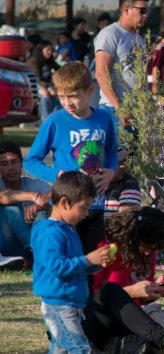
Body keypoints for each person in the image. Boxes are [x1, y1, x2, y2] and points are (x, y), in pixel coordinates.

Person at [24, 62, 118, 267]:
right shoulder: (54, 121)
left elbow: (111, 151)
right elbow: (30, 161)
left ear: (90, 91)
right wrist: (56, 175)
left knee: (91, 266)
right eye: (62, 96)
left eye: (74, 96)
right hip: (65, 208)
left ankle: (88, 298)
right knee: (68, 262)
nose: (68, 102)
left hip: (96, 205)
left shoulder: (104, 118)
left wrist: (111, 170)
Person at [87, 206, 164, 354]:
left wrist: (152, 291)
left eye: (153, 249)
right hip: (99, 318)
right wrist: (131, 292)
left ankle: (131, 342)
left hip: (133, 321)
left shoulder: (148, 253)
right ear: (131, 236)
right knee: (110, 290)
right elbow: (91, 296)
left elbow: (135, 307)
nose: (147, 252)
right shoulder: (105, 246)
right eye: (145, 246)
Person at [32, 172, 112, 354]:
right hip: (58, 304)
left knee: (61, 349)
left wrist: (96, 263)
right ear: (64, 203)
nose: (86, 214)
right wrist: (88, 259)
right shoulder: (50, 233)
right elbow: (57, 266)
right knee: (80, 348)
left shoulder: (68, 229)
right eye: (84, 208)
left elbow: (76, 265)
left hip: (71, 303)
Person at [95, 0, 149, 118]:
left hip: (138, 110)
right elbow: (101, 73)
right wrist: (119, 108)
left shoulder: (139, 38)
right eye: (142, 10)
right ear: (126, 9)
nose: (145, 15)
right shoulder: (110, 34)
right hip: (115, 109)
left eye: (147, 11)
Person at [0, 141, 51, 264]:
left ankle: (33, 251)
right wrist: (34, 197)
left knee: (43, 213)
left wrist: (38, 206)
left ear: (21, 163)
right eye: (4, 164)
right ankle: (32, 250)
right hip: (8, 246)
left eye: (14, 162)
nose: (11, 168)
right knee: (9, 208)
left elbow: (54, 196)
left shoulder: (34, 184)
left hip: (34, 243)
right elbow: (3, 197)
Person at [103, 146, 142, 219]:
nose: (123, 166)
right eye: (118, 162)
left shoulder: (130, 184)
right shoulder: (93, 182)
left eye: (124, 161)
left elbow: (125, 222)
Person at [27, 40, 61, 121]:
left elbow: (59, 68)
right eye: (47, 50)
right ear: (41, 50)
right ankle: (46, 119)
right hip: (32, 83)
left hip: (45, 83)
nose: (50, 52)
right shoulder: (34, 61)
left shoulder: (49, 61)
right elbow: (36, 78)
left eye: (51, 50)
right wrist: (48, 87)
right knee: (45, 94)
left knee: (56, 93)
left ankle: (55, 117)